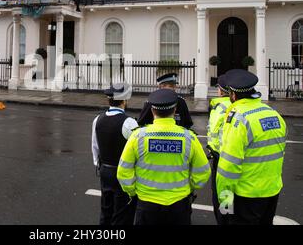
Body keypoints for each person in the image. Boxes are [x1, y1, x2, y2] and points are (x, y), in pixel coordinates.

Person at [117, 89, 210, 225]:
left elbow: (123, 172)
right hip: (179, 204)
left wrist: (133, 191)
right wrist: (189, 188)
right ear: (175, 109)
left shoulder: (138, 137)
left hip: (147, 204)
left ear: (152, 110)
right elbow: (203, 172)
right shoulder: (189, 137)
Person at [217, 69, 287, 225]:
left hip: (246, 196)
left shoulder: (238, 119)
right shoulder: (274, 114)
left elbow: (228, 168)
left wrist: (225, 203)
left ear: (233, 95)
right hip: (271, 192)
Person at [91, 83, 139, 225]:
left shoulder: (97, 120)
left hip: (105, 170)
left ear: (109, 100)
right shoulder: (129, 123)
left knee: (106, 210)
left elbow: (95, 146)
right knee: (123, 213)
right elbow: (138, 151)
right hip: (123, 173)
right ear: (124, 101)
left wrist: (100, 164)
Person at [206, 74, 231, 225]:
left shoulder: (219, 107)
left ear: (221, 91)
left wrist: (213, 150)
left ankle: (225, 220)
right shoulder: (240, 105)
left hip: (222, 159)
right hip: (239, 158)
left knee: (222, 195)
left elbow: (214, 134)